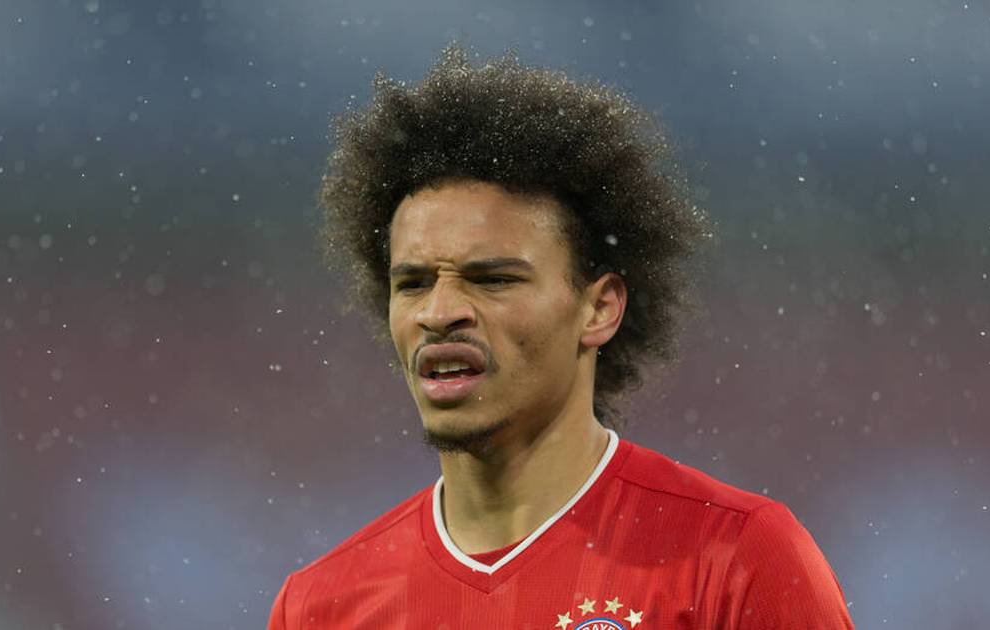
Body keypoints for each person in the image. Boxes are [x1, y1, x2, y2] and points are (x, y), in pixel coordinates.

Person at [269, 42, 853, 629]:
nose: (439, 312)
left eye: (493, 279)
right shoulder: (320, 608)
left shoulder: (736, 556)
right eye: (414, 283)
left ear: (599, 309)